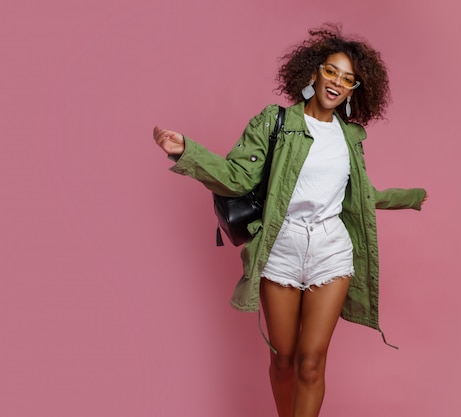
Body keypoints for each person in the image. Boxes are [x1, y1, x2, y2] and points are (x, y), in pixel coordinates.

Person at [153, 24, 427, 417]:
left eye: (348, 79)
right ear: (313, 72)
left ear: (354, 91)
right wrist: (186, 152)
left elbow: (364, 196)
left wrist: (412, 198)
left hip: (332, 252)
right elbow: (236, 177)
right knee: (283, 361)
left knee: (311, 362)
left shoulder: (350, 138)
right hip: (281, 249)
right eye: (331, 71)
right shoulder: (275, 122)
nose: (337, 83)